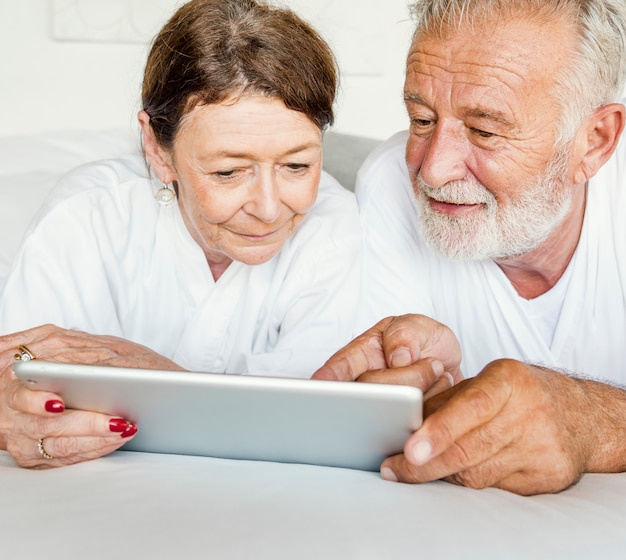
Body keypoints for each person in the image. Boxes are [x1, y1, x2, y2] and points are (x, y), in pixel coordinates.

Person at [0, 0, 360, 468]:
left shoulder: (336, 227)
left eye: (297, 165)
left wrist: (145, 372)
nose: (269, 208)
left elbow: (311, 424)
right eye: (229, 172)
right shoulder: (85, 218)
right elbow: (23, 390)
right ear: (157, 148)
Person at [313, 0, 626, 495]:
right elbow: (387, 433)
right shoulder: (391, 181)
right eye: (421, 119)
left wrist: (590, 420)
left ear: (593, 141)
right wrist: (424, 393)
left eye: (484, 131)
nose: (433, 170)